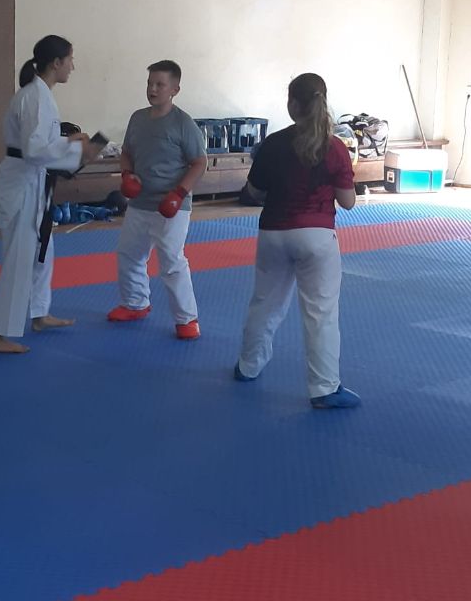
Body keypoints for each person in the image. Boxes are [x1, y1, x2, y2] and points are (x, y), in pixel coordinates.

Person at [234, 73, 360, 408]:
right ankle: (324, 389)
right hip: (316, 236)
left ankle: (248, 366)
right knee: (321, 313)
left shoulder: (273, 144)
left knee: (265, 303)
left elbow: (253, 192)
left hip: (273, 233)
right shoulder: (335, 148)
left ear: (291, 105)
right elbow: (348, 202)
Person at [0, 35, 102, 354]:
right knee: (19, 261)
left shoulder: (41, 95)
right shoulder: (35, 97)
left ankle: (39, 313)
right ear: (56, 62)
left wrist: (75, 149)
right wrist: (75, 147)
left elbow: (39, 147)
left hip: (32, 181)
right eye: (70, 60)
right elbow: (34, 150)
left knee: (42, 251)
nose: (73, 66)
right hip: (22, 185)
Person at [107, 60, 208, 339]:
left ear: (174, 90)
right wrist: (127, 174)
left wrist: (179, 193)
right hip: (140, 202)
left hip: (172, 205)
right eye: (150, 83)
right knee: (129, 254)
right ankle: (135, 303)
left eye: (159, 84)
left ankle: (187, 319)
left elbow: (200, 162)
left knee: (172, 261)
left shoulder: (183, 123)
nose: (152, 89)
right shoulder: (138, 118)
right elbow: (127, 152)